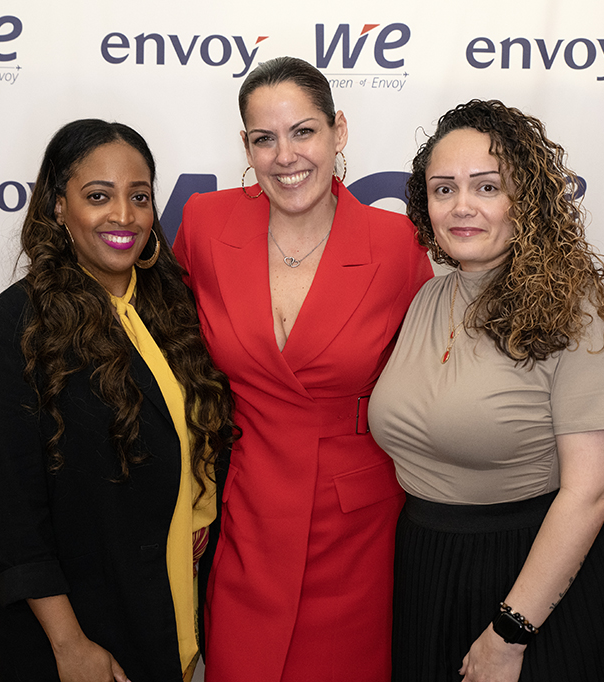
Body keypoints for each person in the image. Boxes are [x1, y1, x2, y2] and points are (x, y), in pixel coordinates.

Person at [370, 99, 604, 682]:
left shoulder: (579, 308)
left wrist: (510, 634)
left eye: (487, 186)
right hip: (430, 570)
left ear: (526, 198)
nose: (462, 206)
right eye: (444, 189)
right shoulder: (428, 297)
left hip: (540, 588)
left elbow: (591, 492)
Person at [172, 56, 433, 682]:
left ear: (338, 131)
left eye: (304, 131)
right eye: (265, 138)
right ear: (246, 146)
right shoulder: (206, 223)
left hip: (356, 531)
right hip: (247, 514)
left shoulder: (397, 243)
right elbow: (169, 352)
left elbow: (433, 380)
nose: (285, 156)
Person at [0, 119, 234, 682]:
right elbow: (10, 518)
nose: (123, 215)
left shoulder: (173, 308)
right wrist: (70, 646)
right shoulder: (13, 330)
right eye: (97, 196)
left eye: (139, 196)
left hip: (166, 610)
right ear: (57, 206)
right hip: (79, 636)